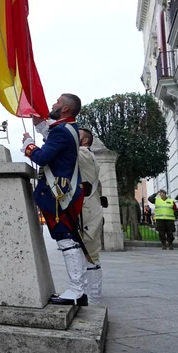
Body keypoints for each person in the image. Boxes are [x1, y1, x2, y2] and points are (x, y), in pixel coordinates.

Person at [23, 93, 87, 306]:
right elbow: (54, 137)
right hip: (64, 193)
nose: (53, 104)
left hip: (59, 196)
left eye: (58, 102)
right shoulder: (69, 128)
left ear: (66, 109)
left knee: (66, 241)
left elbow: (42, 157)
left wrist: (28, 145)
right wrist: (41, 125)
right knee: (70, 241)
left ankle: (77, 291)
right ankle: (79, 290)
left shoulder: (61, 131)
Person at [77, 128, 104, 305]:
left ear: (85, 141)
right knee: (85, 253)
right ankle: (89, 291)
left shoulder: (83, 153)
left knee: (90, 253)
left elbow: (62, 146)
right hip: (87, 209)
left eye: (77, 134)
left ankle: (93, 295)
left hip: (88, 211)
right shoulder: (85, 154)